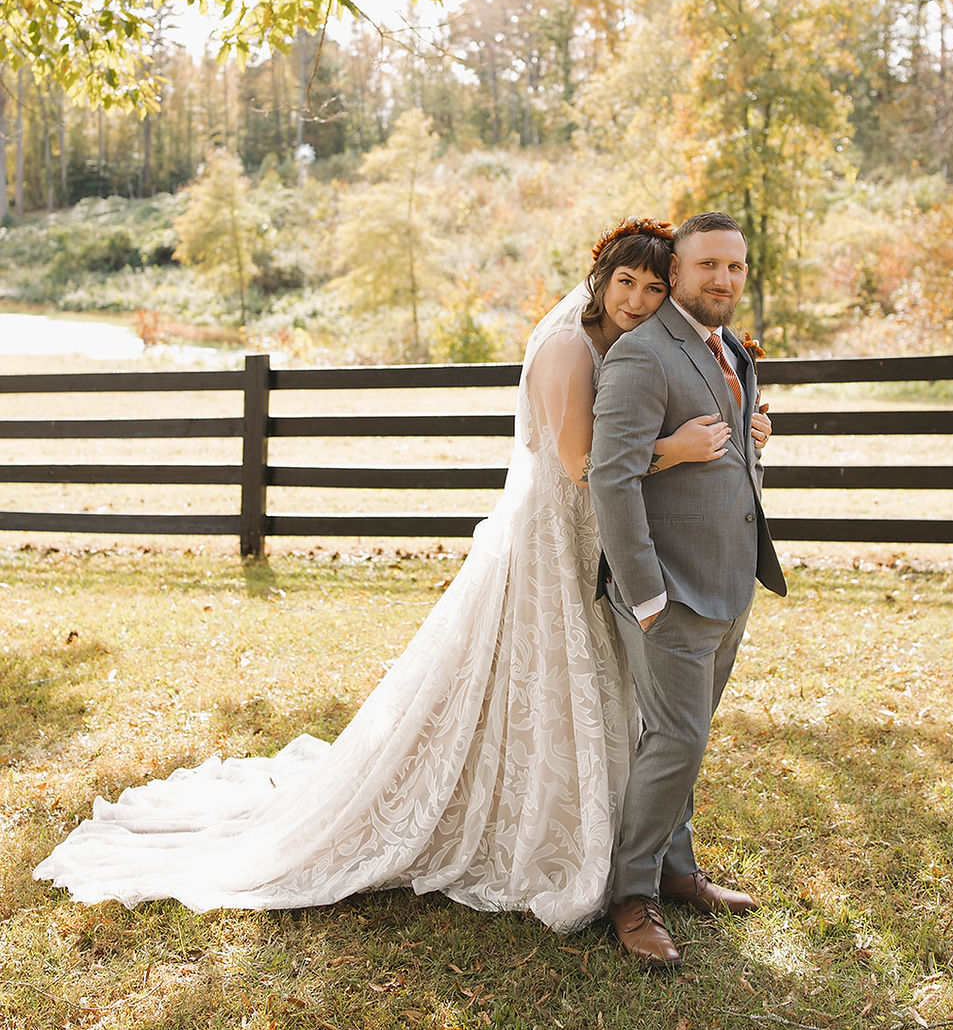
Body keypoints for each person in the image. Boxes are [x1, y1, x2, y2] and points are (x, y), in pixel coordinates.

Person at [33, 217, 768, 934]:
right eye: (624, 282)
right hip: (557, 540)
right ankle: (612, 871)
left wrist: (740, 433)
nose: (636, 299)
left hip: (604, 546)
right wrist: (673, 450)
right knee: (561, 690)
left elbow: (665, 427)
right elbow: (585, 468)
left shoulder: (655, 346)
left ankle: (652, 857)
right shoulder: (570, 351)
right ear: (599, 280)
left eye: (648, 285)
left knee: (619, 709)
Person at [589, 210, 786, 967]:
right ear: (677, 272)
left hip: (728, 577)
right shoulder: (643, 355)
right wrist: (643, 591)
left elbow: (722, 446)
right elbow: (610, 475)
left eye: (735, 267)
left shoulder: (729, 344)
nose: (724, 280)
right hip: (666, 589)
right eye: (708, 266)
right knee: (677, 738)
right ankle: (632, 897)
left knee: (684, 737)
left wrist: (753, 432)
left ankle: (676, 870)